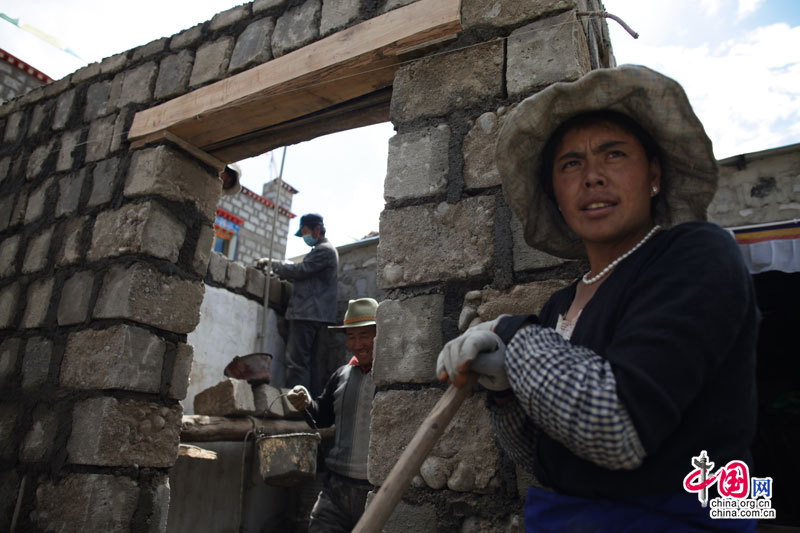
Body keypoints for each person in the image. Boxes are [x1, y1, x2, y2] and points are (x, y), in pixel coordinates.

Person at [436, 65, 759, 532]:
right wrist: (505, 391)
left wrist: (513, 335)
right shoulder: (559, 305)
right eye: (571, 164)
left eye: (614, 154)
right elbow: (547, 457)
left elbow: (616, 429)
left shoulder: (697, 256)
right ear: (557, 197)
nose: (592, 177)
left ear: (653, 174)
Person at [286, 298, 378, 533]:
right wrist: (306, 403)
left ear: (381, 333)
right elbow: (322, 419)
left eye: (365, 335)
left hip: (377, 491)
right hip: (335, 489)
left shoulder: (395, 379)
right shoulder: (341, 375)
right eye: (351, 337)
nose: (358, 344)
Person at [264, 213, 338, 395]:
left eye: (305, 232)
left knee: (297, 362)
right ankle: (308, 410)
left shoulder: (324, 250)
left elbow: (301, 270)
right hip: (314, 314)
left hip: (307, 314)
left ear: (317, 230)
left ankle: (297, 409)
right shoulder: (323, 251)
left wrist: (273, 265)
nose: (305, 237)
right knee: (309, 363)